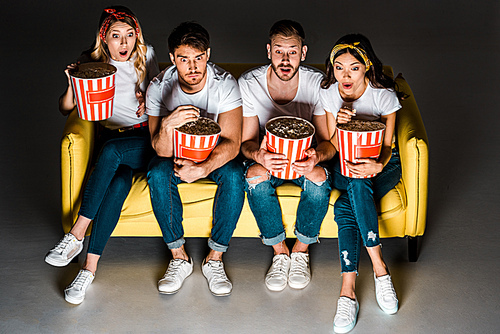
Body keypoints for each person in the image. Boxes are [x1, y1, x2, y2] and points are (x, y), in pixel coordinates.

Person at [44, 6, 159, 305]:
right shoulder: (90, 62)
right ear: (103, 38)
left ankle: (76, 234)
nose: (124, 44)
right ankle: (88, 269)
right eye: (116, 36)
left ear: (137, 37)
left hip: (143, 139)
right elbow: (64, 107)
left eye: (130, 35)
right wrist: (72, 81)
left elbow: (164, 97)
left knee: (111, 152)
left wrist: (148, 100)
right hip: (111, 138)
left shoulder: (146, 57)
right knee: (119, 184)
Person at [145, 22, 244, 296]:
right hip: (174, 154)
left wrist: (202, 169)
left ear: (208, 55)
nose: (193, 67)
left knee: (235, 174)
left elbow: (233, 143)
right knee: (156, 172)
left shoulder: (225, 84)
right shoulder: (158, 87)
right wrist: (167, 125)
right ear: (172, 58)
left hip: (212, 154)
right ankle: (179, 257)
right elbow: (160, 150)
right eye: (184, 59)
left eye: (199, 58)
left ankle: (215, 258)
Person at [239, 20, 334, 292]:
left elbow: (327, 142)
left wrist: (315, 158)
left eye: (292, 52)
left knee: (317, 177)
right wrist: (259, 156)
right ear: (268, 51)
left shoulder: (317, 84)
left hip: (305, 161)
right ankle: (280, 252)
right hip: (269, 159)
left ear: (303, 53)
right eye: (279, 51)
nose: (285, 59)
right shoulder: (249, 82)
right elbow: (246, 142)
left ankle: (300, 251)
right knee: (254, 175)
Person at [320, 34, 402, 333]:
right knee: (354, 180)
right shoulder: (329, 93)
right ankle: (380, 270)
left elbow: (388, 146)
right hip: (347, 163)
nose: (345, 75)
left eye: (353, 68)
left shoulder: (383, 96)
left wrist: (378, 164)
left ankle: (349, 289)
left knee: (345, 205)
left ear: (366, 67)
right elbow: (332, 144)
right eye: (339, 67)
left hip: (384, 165)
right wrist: (341, 125)